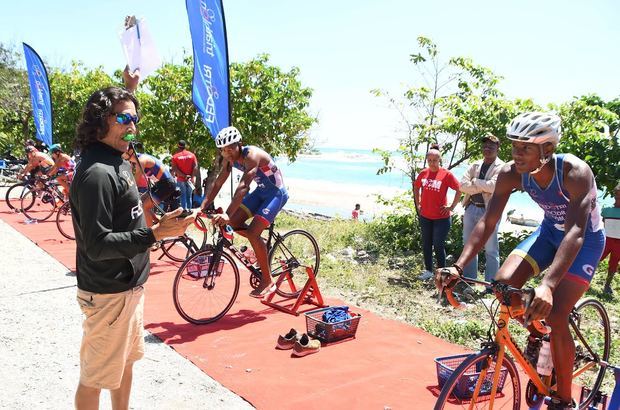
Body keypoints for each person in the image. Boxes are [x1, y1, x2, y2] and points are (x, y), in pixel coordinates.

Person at [435, 112, 605, 409]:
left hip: (585, 240)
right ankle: (539, 334)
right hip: (549, 233)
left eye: (525, 147)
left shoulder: (575, 172)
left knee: (556, 314)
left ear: (548, 149)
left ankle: (564, 398)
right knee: (503, 285)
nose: (516, 154)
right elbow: (488, 222)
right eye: (514, 146)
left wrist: (549, 285)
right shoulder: (511, 173)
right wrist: (459, 265)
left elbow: (577, 231)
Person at [70, 67, 194, 410]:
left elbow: (128, 212)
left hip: (129, 286)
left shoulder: (115, 157)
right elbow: (96, 246)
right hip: (109, 292)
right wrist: (155, 234)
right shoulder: (97, 173)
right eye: (124, 118)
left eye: (134, 118)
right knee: (95, 377)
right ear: (101, 121)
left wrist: (129, 88)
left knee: (125, 362)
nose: (133, 126)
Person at [200, 126, 289, 298]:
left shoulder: (251, 155)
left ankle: (267, 280)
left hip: (276, 193)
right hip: (261, 192)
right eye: (224, 150)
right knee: (233, 222)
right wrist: (202, 206)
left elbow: (244, 186)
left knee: (252, 232)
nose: (228, 153)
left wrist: (226, 212)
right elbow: (218, 183)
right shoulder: (229, 159)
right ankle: (260, 245)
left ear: (239, 144)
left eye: (231, 148)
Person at [459, 134, 505, 285]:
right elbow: (462, 185)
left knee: (491, 248)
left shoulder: (502, 167)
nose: (487, 148)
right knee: (468, 245)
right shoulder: (475, 165)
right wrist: (483, 185)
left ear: (497, 147)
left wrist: (475, 182)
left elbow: (494, 186)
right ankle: (469, 280)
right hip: (471, 208)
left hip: (490, 211)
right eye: (485, 146)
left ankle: (491, 284)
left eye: (491, 146)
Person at [413, 144, 461, 280]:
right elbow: (416, 188)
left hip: (442, 218)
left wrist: (451, 207)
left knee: (438, 244)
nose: (432, 163)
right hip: (425, 216)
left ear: (439, 160)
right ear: (427, 160)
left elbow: (459, 189)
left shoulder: (446, 174)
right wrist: (418, 203)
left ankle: (442, 273)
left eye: (435, 160)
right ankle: (428, 270)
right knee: (426, 243)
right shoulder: (423, 173)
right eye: (430, 160)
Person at [122, 142, 180, 226]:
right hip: (160, 184)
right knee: (141, 202)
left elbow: (135, 182)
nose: (121, 155)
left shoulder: (141, 160)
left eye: (122, 152)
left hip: (167, 184)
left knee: (144, 207)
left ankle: (151, 236)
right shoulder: (136, 161)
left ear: (130, 151)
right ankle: (158, 223)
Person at [600, 183, 620, 295]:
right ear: (614, 195)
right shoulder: (606, 210)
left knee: (613, 264)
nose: (618, 198)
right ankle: (584, 279)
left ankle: (607, 285)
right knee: (595, 258)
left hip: (619, 244)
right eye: (617, 194)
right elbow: (601, 225)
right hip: (606, 240)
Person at [171, 140, 197, 210]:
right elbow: (195, 167)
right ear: (185, 146)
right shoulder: (192, 155)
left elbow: (175, 169)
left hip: (181, 179)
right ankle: (189, 210)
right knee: (189, 196)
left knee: (183, 196)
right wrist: (192, 176)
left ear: (178, 146)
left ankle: (184, 211)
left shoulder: (175, 157)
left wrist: (184, 176)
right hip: (190, 180)